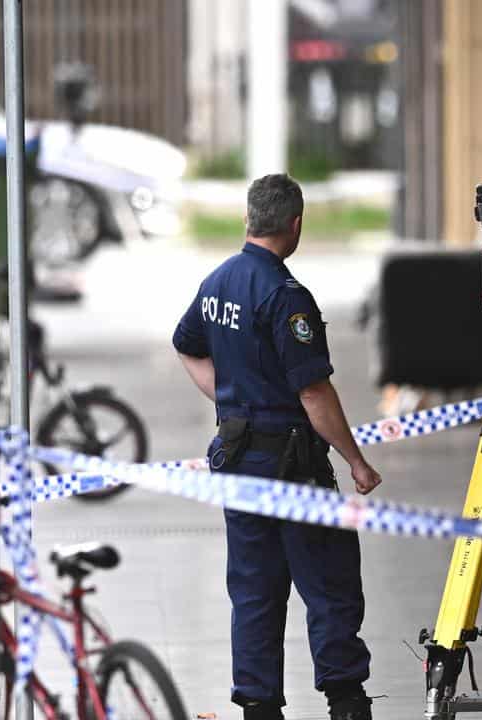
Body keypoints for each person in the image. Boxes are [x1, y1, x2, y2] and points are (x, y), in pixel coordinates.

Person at [172, 174, 382, 720]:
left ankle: (259, 706)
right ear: (296, 225)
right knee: (329, 581)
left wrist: (228, 398)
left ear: (248, 219)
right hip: (292, 466)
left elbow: (188, 348)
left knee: (254, 590)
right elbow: (313, 391)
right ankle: (346, 701)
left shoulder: (217, 283)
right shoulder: (285, 296)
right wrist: (355, 461)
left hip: (238, 461)